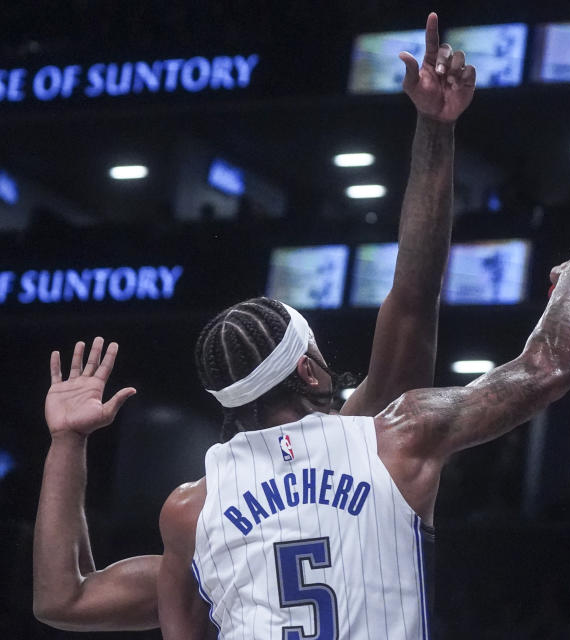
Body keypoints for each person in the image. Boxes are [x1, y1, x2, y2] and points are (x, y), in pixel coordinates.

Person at [33, 12, 474, 632]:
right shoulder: (365, 443)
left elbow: (63, 600)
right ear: (307, 366)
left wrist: (66, 443)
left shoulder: (202, 518)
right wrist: (435, 130)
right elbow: (414, 295)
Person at [157, 247, 570, 638]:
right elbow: (549, 368)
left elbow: (94, 603)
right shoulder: (398, 436)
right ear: (306, 370)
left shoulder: (188, 508)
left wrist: (77, 439)